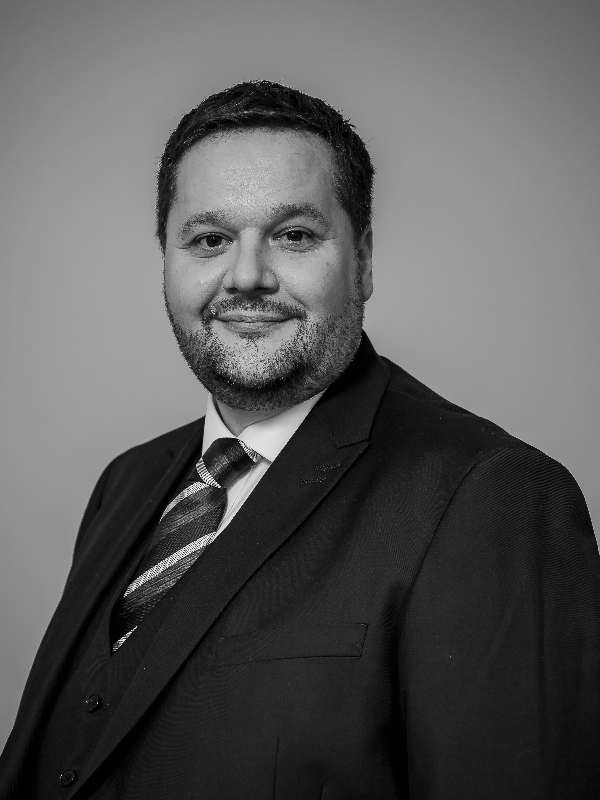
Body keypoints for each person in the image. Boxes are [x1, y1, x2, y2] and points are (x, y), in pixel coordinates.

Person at [1, 81, 599, 800]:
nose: (247, 277)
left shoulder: (491, 496)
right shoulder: (126, 484)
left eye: (293, 236)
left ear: (363, 262)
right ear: (166, 260)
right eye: (210, 240)